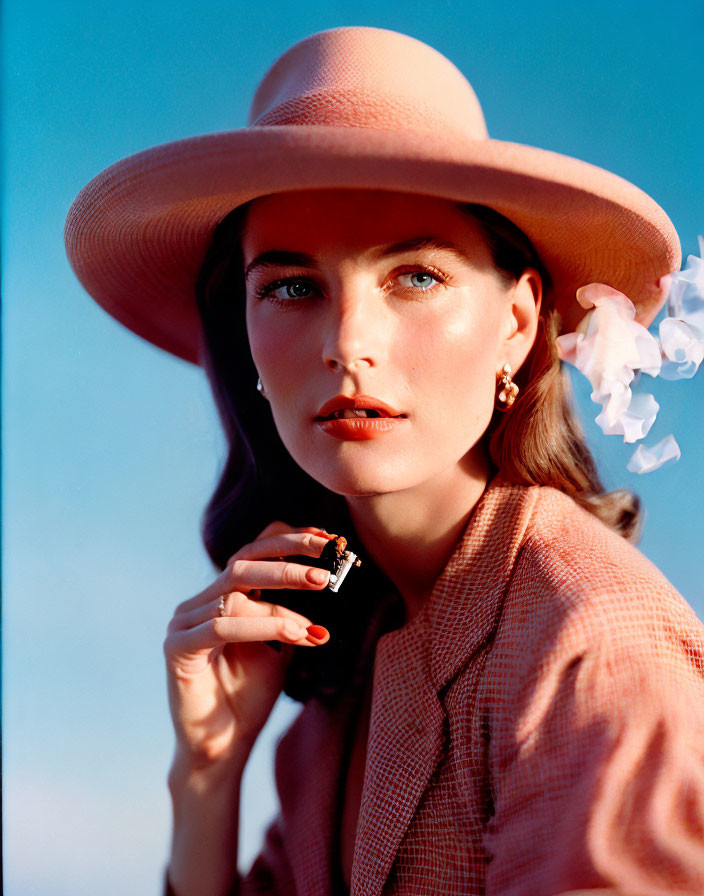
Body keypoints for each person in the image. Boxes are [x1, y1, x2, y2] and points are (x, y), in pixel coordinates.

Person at [64, 25, 704, 896]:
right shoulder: (332, 700)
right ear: (244, 336)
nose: (347, 343)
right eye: (292, 287)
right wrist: (207, 773)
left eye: (416, 277)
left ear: (517, 324)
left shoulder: (592, 642)